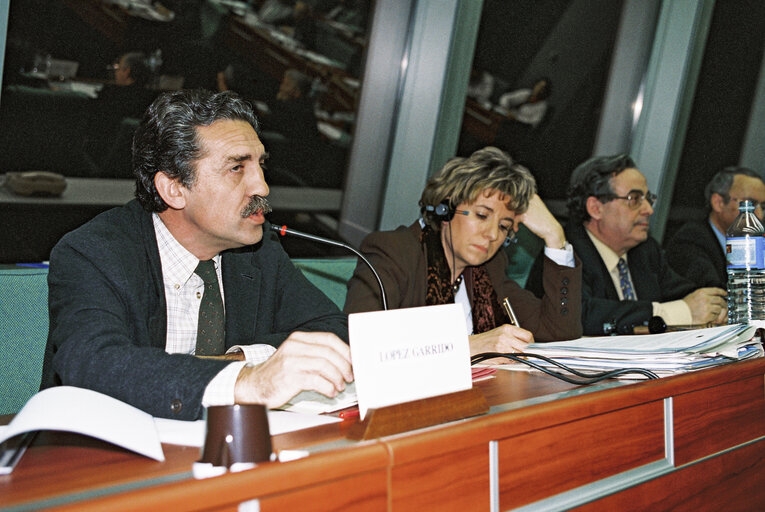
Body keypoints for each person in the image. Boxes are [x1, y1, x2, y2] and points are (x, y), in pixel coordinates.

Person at [41, 89, 353, 420]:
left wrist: (237, 361)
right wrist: (248, 382)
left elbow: (333, 330)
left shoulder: (258, 252)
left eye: (260, 165)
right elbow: (93, 364)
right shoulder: (94, 252)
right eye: (236, 167)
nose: (262, 187)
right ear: (174, 189)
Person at [344, 146, 582, 357]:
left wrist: (555, 236)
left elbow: (558, 331)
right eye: (481, 215)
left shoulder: (489, 268)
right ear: (446, 209)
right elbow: (364, 346)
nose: (492, 235)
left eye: (503, 227)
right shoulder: (393, 252)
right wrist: (467, 346)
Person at [556, 154, 727, 335]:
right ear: (596, 208)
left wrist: (715, 307)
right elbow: (579, 314)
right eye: (635, 199)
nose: (649, 210)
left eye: (648, 199)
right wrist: (668, 314)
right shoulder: (563, 252)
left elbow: (687, 295)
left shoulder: (645, 251)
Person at [665, 167, 765, 289]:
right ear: (719, 203)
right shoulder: (690, 241)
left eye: (763, 207)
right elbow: (715, 293)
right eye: (750, 204)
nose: (760, 215)